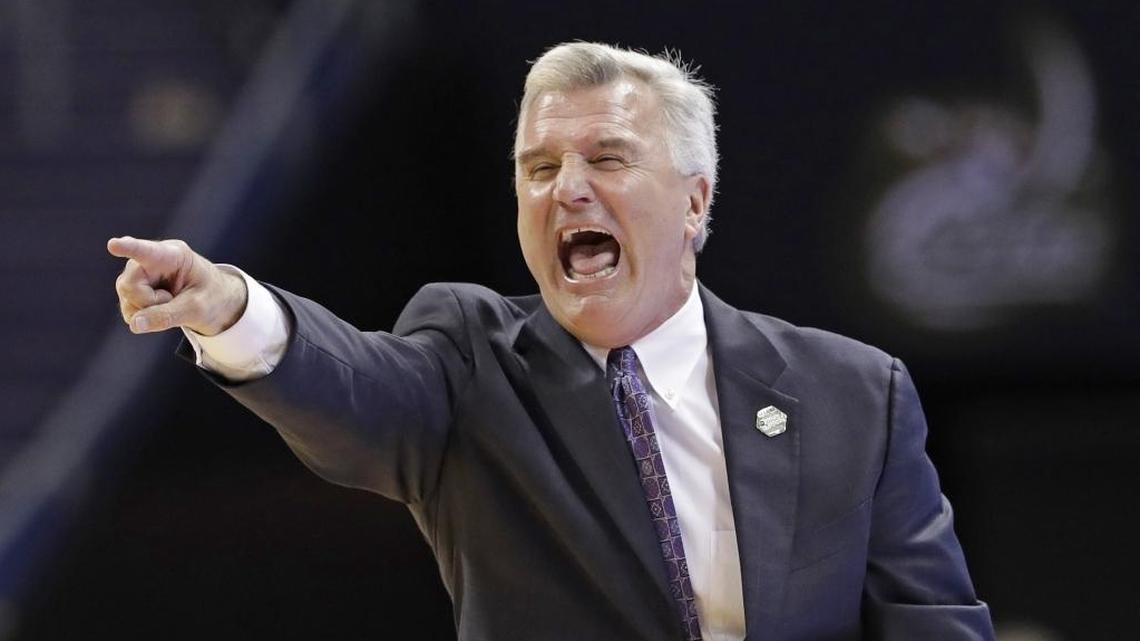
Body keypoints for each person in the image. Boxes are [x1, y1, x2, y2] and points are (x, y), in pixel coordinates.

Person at [108, 42, 995, 641]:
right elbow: (354, 387)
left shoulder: (852, 391)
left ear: (694, 201)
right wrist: (227, 306)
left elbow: (935, 623)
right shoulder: (471, 358)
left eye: (607, 159)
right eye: (539, 168)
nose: (566, 189)